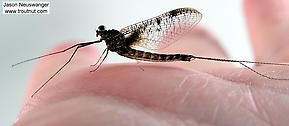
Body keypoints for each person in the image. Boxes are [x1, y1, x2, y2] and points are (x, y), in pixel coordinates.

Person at [14, 0, 289, 125]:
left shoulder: (118, 39)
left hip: (145, 54)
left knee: (185, 56)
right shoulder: (112, 42)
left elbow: (115, 52)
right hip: (136, 55)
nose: (99, 36)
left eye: (101, 34)